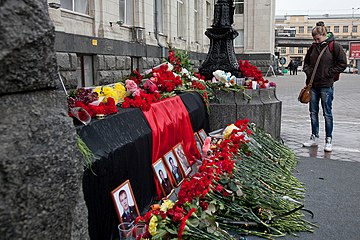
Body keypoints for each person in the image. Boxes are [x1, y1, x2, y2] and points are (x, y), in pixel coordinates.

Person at [302, 21, 347, 152]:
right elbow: (306, 63)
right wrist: (308, 71)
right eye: (314, 39)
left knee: (327, 113)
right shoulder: (312, 47)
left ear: (324, 35)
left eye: (318, 38)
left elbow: (342, 63)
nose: (316, 41)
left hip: (326, 85)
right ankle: (314, 137)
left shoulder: (334, 46)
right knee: (313, 113)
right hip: (313, 86)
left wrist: (329, 73)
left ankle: (328, 139)